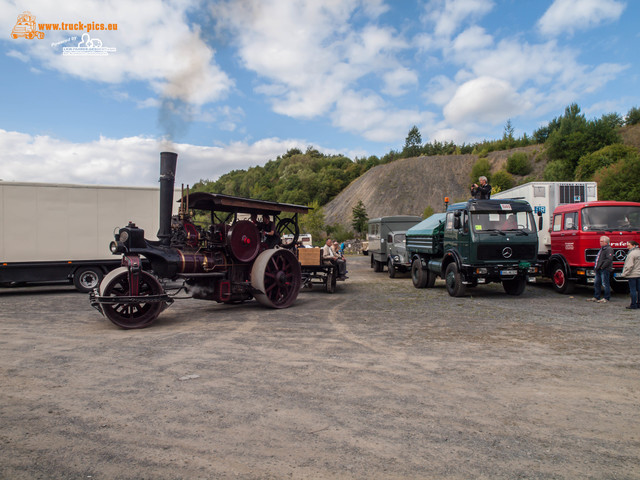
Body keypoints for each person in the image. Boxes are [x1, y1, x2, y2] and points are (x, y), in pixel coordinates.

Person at [587, 235, 613, 303]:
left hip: (605, 269)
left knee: (605, 283)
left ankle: (606, 298)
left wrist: (602, 266)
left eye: (602, 241)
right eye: (600, 241)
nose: (600, 242)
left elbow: (609, 259)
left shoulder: (609, 249)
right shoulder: (602, 249)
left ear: (606, 242)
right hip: (598, 269)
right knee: (596, 283)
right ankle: (596, 296)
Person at [621, 240, 640, 310]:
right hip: (639, 274)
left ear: (634, 245)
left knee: (633, 290)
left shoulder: (631, 254)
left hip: (632, 274)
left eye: (629, 245)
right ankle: (639, 304)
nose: (627, 247)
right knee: (639, 290)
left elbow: (629, 265)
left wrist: (624, 274)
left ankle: (633, 304)